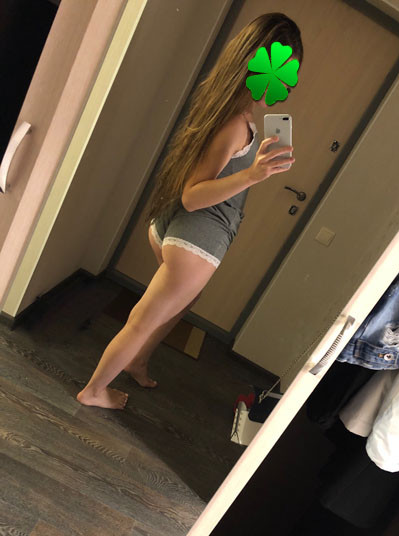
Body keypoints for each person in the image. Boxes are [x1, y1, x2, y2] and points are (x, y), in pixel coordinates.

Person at [76, 12, 303, 409]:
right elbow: (193, 196)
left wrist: (250, 168)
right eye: (283, 68)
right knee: (143, 320)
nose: (284, 80)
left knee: (180, 303)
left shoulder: (226, 107)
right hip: (196, 237)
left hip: (177, 230)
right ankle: (94, 391)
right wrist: (253, 174)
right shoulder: (235, 123)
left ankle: (138, 361)